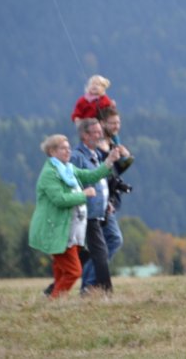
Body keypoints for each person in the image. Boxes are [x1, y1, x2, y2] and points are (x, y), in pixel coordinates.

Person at [28, 134, 120, 298]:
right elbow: (60, 199)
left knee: (61, 268)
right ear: (52, 151)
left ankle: (50, 298)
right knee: (73, 271)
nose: (68, 151)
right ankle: (54, 300)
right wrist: (84, 195)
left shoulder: (68, 169)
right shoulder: (50, 173)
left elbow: (91, 176)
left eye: (69, 147)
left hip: (70, 230)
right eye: (63, 148)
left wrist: (109, 161)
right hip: (56, 230)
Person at [79, 107, 134, 290]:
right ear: (102, 124)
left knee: (102, 246)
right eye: (112, 123)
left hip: (108, 201)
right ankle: (89, 283)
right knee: (111, 241)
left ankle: (89, 283)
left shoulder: (111, 145)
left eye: (118, 122)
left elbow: (116, 172)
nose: (116, 126)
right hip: (99, 203)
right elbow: (98, 175)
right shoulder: (96, 150)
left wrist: (126, 158)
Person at [70, 118, 116, 294]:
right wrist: (110, 161)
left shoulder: (94, 153)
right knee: (99, 252)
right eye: (96, 132)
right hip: (84, 213)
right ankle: (104, 291)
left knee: (93, 252)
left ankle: (92, 288)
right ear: (84, 135)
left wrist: (106, 204)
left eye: (100, 131)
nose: (100, 135)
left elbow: (99, 181)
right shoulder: (77, 156)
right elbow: (75, 181)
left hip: (97, 212)